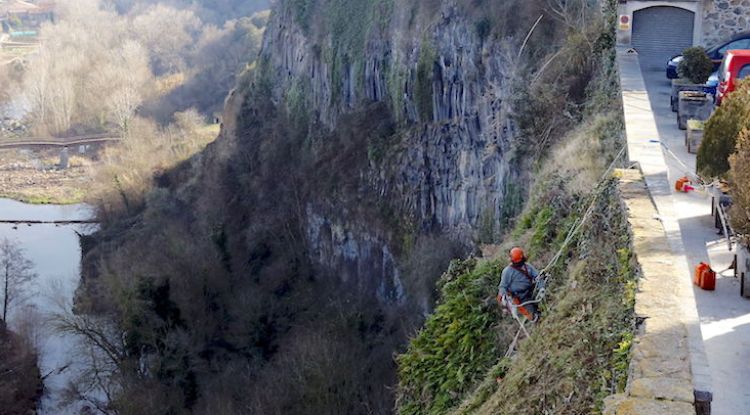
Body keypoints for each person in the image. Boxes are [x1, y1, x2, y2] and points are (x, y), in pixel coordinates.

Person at [497, 247, 542, 321]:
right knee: (532, 316)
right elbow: (503, 287)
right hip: (520, 298)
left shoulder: (527, 267)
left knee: (541, 303)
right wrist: (503, 301)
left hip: (532, 290)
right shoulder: (507, 271)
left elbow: (538, 276)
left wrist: (541, 287)